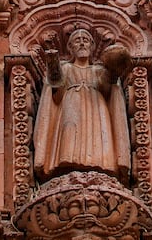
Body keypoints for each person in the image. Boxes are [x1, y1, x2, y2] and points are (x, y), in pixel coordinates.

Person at [33, 28, 131, 181]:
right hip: (71, 105)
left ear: (92, 46)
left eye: (85, 40)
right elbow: (56, 97)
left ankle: (100, 163)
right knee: (70, 129)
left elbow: (107, 88)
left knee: (99, 134)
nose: (82, 44)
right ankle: (67, 161)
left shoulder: (98, 70)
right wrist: (54, 70)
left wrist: (113, 69)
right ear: (70, 47)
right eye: (77, 41)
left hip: (97, 107)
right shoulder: (66, 68)